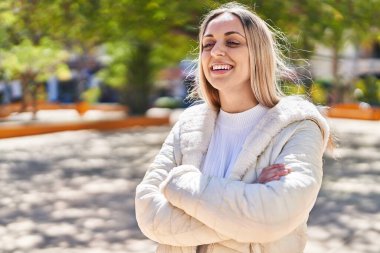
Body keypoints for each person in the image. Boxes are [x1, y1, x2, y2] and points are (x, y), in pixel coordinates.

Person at [135, 2, 330, 253]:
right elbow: (148, 214)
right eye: (208, 44)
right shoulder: (188, 125)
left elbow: (274, 214)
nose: (216, 51)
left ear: (258, 54)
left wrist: (179, 185)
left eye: (232, 42)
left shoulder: (298, 127)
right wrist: (247, 203)